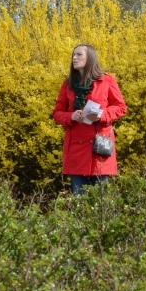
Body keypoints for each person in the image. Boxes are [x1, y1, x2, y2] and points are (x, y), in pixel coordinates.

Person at [52, 43, 127, 194]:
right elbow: (57, 113)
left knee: (100, 203)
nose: (74, 58)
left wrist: (102, 115)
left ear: (90, 58)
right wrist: (70, 116)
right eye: (73, 55)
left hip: (99, 147)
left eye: (79, 54)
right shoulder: (68, 84)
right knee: (80, 201)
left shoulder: (106, 80)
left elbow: (120, 107)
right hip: (76, 148)